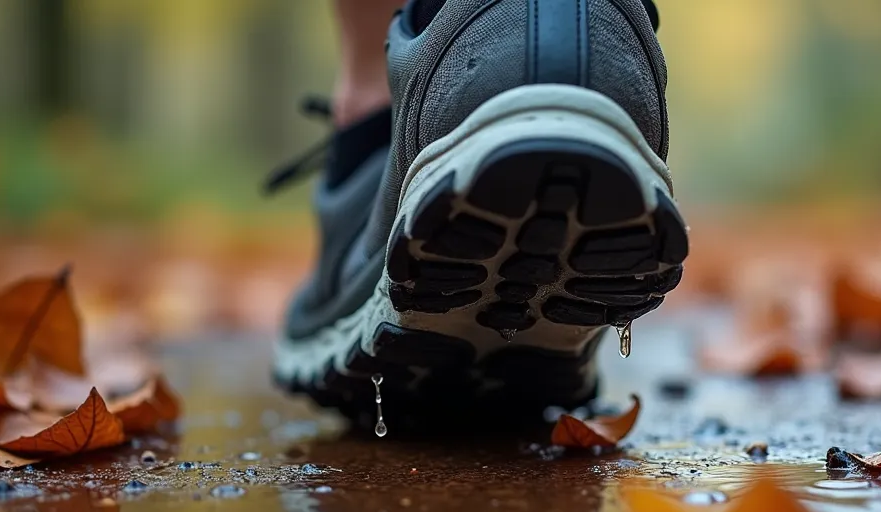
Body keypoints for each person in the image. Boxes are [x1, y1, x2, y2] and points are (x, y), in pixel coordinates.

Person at [270, 0, 686, 432]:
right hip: (610, 51)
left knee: (370, 91)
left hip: (464, 68)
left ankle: (380, 103)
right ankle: (602, 29)